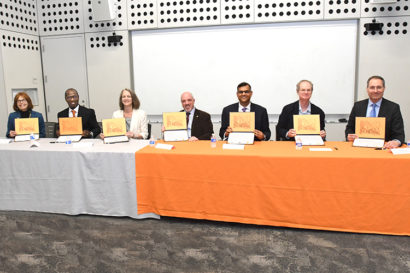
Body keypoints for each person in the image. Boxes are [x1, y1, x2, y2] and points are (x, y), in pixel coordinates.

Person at [345, 75, 404, 149]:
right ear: (367, 89)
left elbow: (399, 134)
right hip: (360, 148)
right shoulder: (358, 106)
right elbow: (349, 128)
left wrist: (396, 142)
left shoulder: (393, 108)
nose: (375, 91)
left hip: (383, 149)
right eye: (372, 87)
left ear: (384, 88)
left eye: (379, 87)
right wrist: (350, 136)